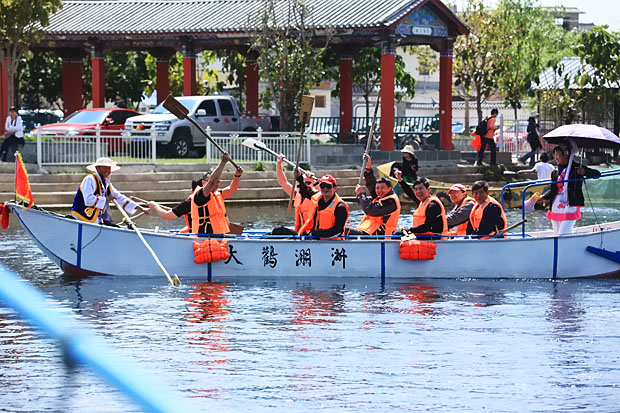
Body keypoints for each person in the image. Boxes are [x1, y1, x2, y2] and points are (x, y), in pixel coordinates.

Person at [148, 152, 243, 235]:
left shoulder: (217, 195)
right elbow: (167, 215)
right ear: (203, 183)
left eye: (219, 182)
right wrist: (155, 206)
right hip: (204, 240)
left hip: (219, 237)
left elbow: (232, 188)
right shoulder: (198, 198)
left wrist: (237, 175)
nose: (216, 185)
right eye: (214, 181)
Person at [539, 145, 601, 235]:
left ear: (566, 155)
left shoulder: (576, 168)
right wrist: (544, 197)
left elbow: (597, 174)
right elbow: (553, 189)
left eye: (558, 155)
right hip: (556, 206)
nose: (556, 157)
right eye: (555, 155)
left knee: (563, 233)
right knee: (556, 234)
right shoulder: (555, 172)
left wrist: (584, 172)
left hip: (570, 204)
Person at [72, 157, 149, 224]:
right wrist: (106, 199)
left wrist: (141, 208)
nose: (107, 170)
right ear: (97, 168)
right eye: (105, 167)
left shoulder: (106, 183)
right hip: (83, 219)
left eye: (109, 168)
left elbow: (119, 197)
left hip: (97, 219)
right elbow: (88, 200)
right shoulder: (90, 179)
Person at [348, 154, 401, 237]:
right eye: (377, 188)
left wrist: (361, 194)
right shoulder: (382, 196)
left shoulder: (391, 201)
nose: (379, 191)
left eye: (382, 188)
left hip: (380, 236)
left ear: (389, 189)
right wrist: (368, 168)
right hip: (369, 232)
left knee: (345, 230)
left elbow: (369, 210)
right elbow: (372, 184)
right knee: (343, 230)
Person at [271, 155, 318, 235]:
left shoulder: (318, 195)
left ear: (313, 184)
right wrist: (279, 164)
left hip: (312, 234)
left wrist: (314, 179)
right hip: (300, 233)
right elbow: (283, 182)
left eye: (308, 183)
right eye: (303, 182)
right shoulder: (297, 195)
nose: (305, 185)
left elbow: (325, 190)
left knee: (278, 231)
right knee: (274, 232)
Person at [297, 174, 349, 239]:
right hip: (315, 239)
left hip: (333, 243)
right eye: (322, 186)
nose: (325, 188)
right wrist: (299, 177)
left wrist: (316, 234)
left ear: (335, 188)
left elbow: (337, 231)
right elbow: (305, 192)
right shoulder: (317, 198)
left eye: (328, 186)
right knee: (281, 230)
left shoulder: (340, 207)